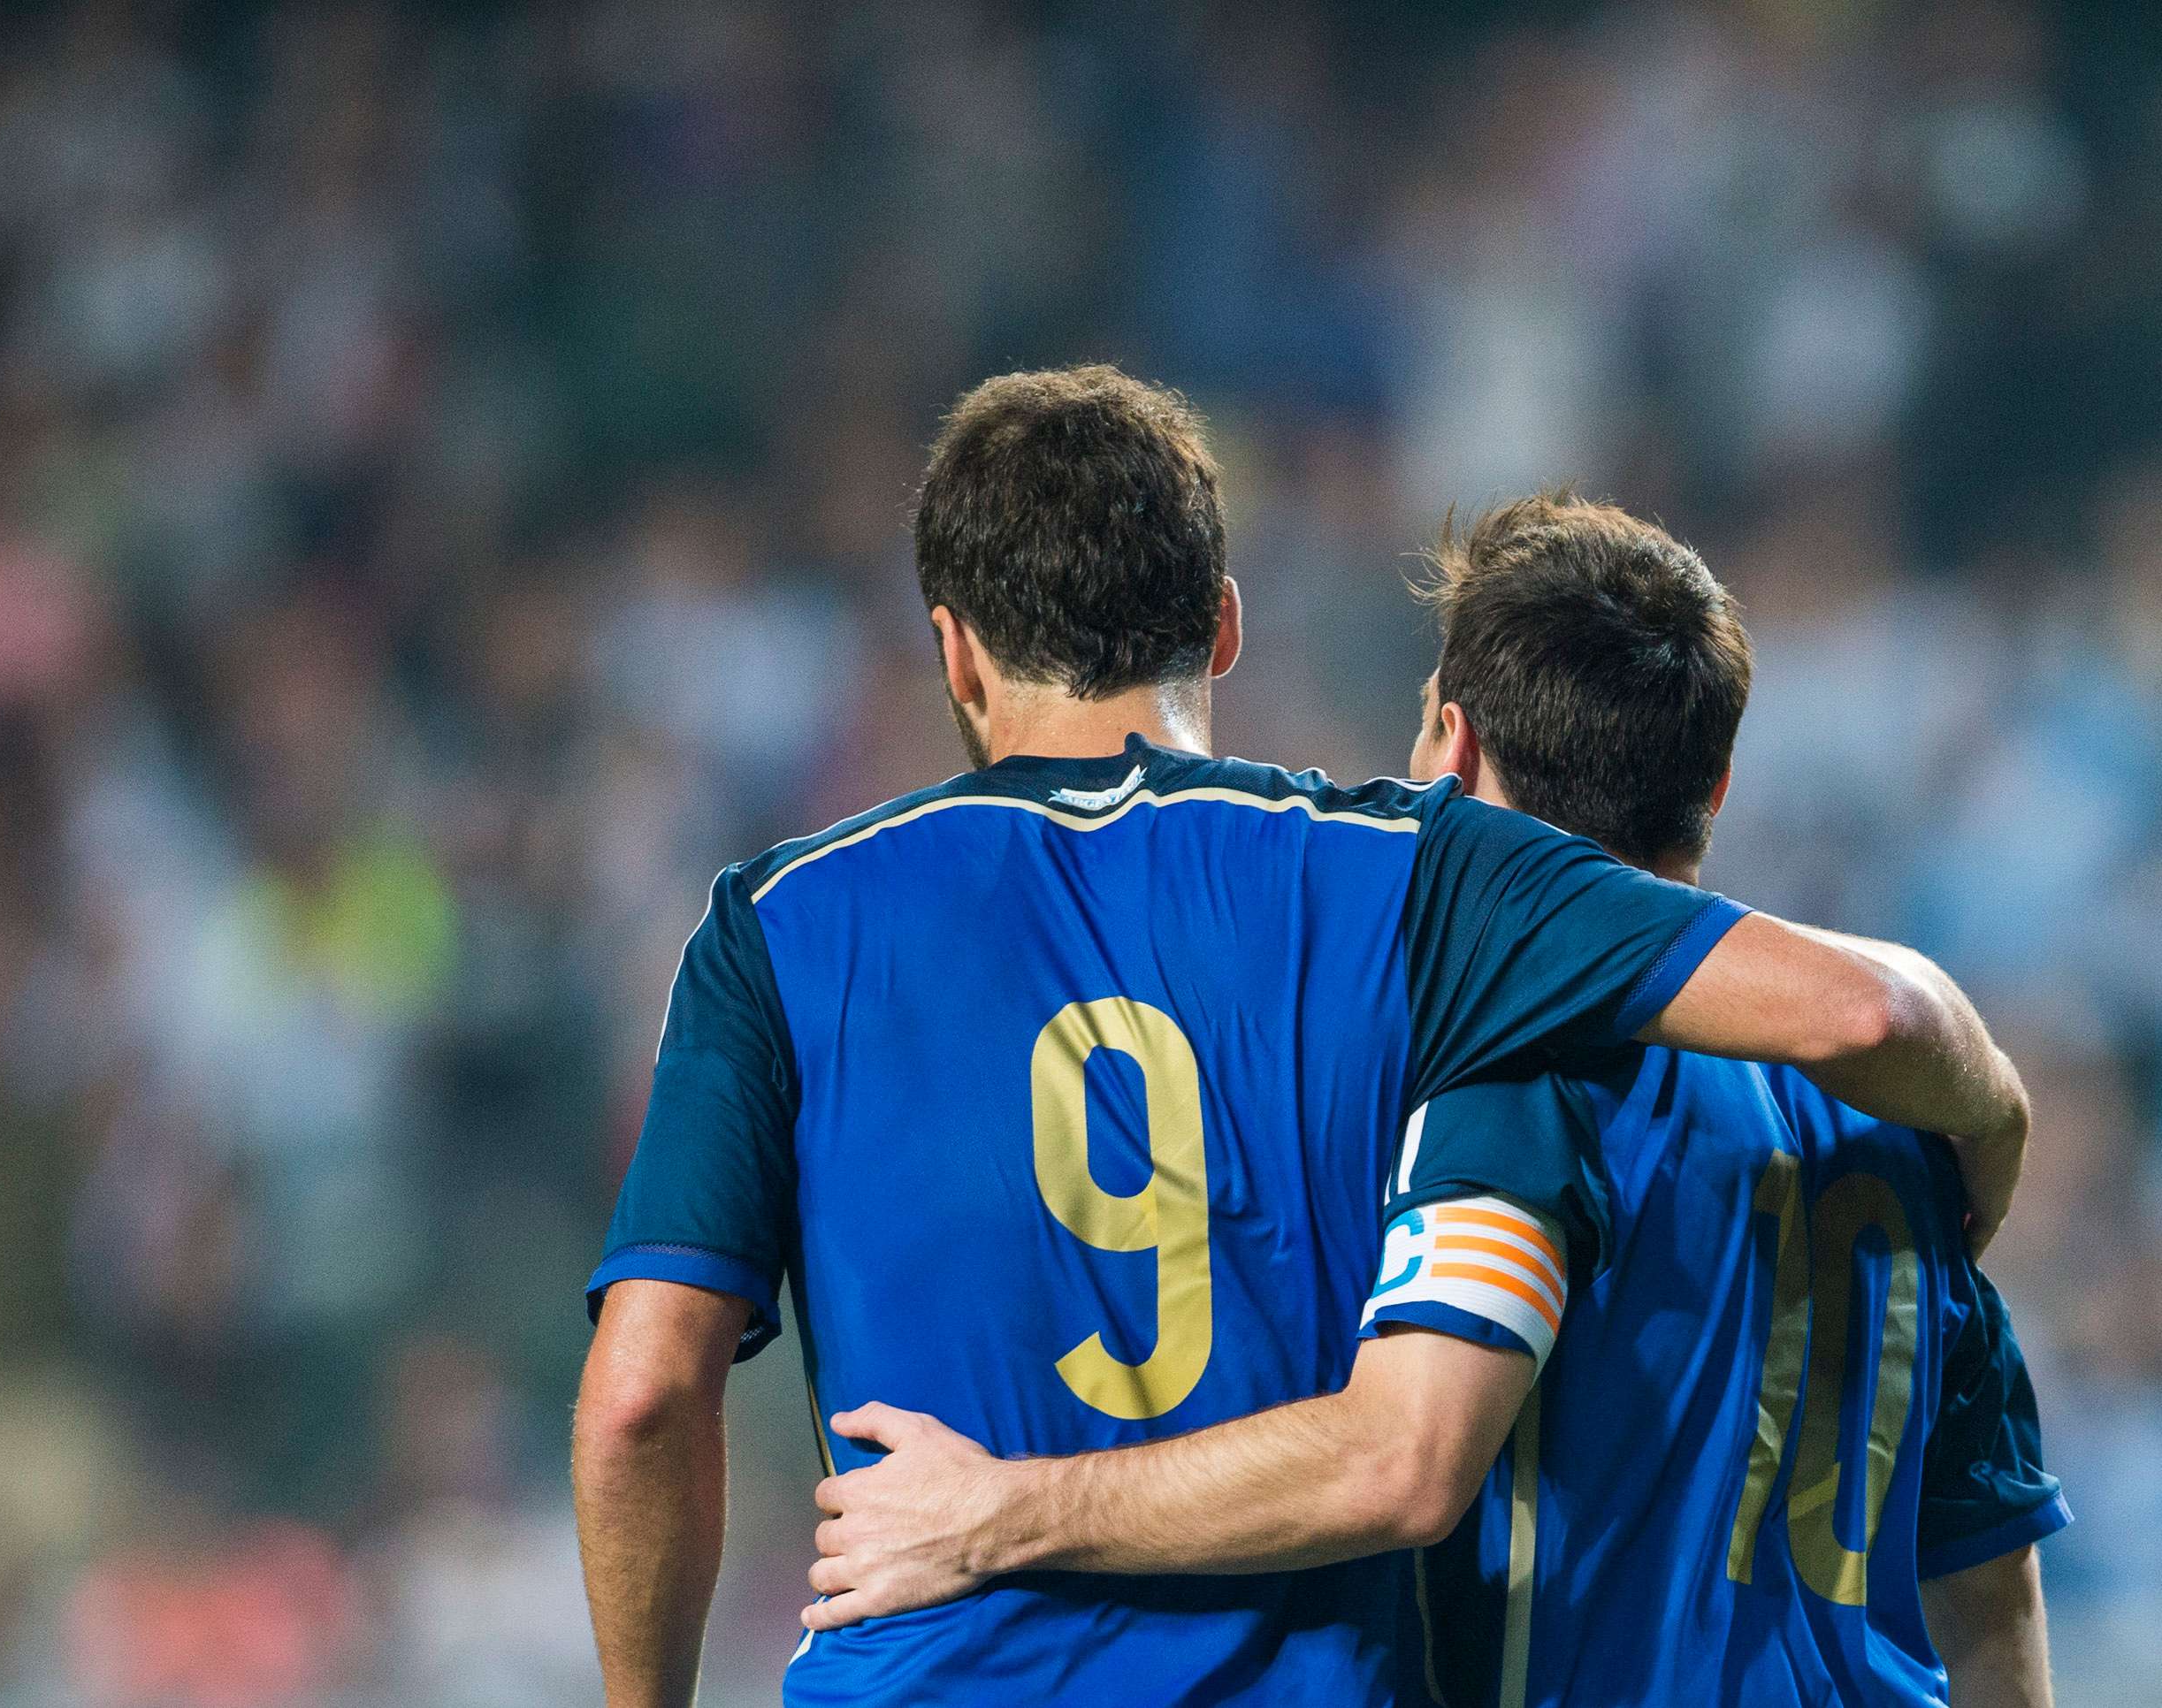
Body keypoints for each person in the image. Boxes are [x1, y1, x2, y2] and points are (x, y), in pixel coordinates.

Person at [572, 369, 2029, 1708]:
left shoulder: (777, 923)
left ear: (953, 654)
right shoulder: (1407, 877)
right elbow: (1864, 1015)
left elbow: (642, 1394)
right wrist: (1989, 1127)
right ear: (1222, 619)